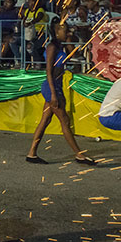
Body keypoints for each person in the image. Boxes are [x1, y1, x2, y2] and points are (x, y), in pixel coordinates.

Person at [26, 18, 96, 165]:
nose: (67, 32)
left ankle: (32, 153)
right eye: (64, 30)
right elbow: (49, 71)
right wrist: (53, 94)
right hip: (51, 87)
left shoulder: (59, 46)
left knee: (45, 121)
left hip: (55, 86)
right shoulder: (52, 47)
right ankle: (79, 154)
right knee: (64, 120)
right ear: (57, 31)